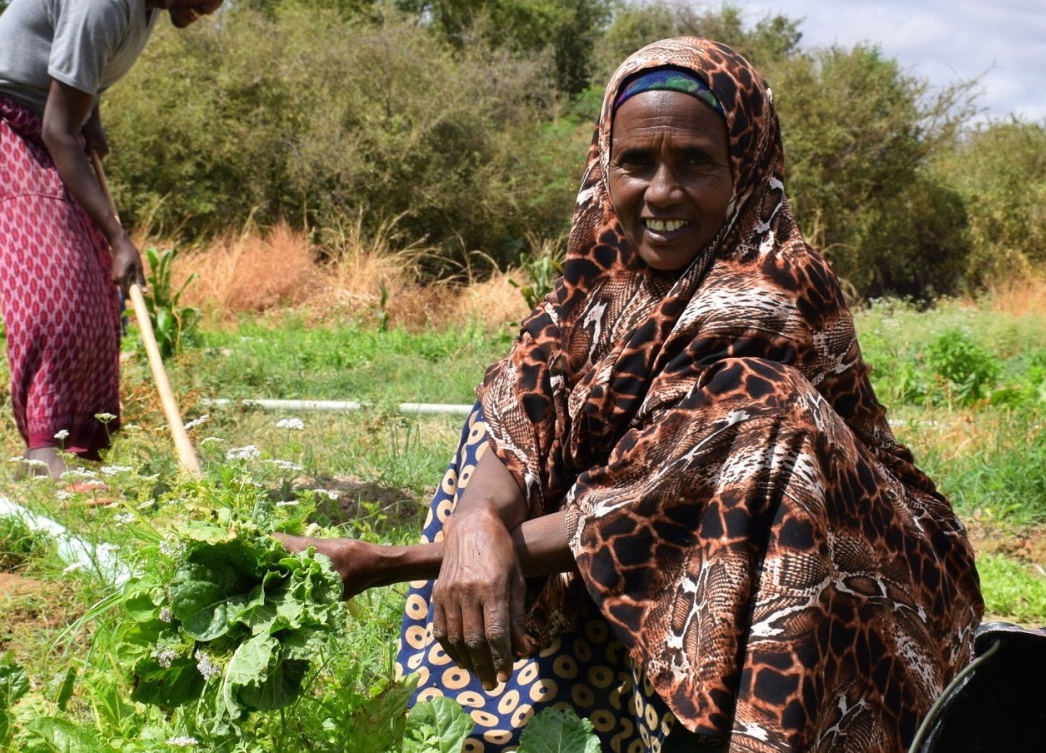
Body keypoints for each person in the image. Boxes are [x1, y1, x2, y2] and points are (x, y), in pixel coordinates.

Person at [286, 38, 984, 752]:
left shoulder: (773, 283)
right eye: (636, 163)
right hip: (659, 533)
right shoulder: (601, 273)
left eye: (695, 164)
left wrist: (391, 561)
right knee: (515, 410)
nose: (661, 193)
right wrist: (472, 526)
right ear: (603, 165)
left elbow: (655, 492)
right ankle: (521, 723)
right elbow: (521, 410)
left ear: (744, 168)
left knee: (764, 411)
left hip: (853, 573)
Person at [0, 0, 247, 477]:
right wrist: (118, 236)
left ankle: (84, 446)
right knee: (48, 282)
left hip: (48, 125)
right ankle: (42, 452)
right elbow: (59, 130)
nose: (208, 8)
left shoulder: (149, 0)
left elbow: (81, 73)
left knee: (97, 290)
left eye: (220, 0)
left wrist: (92, 117)